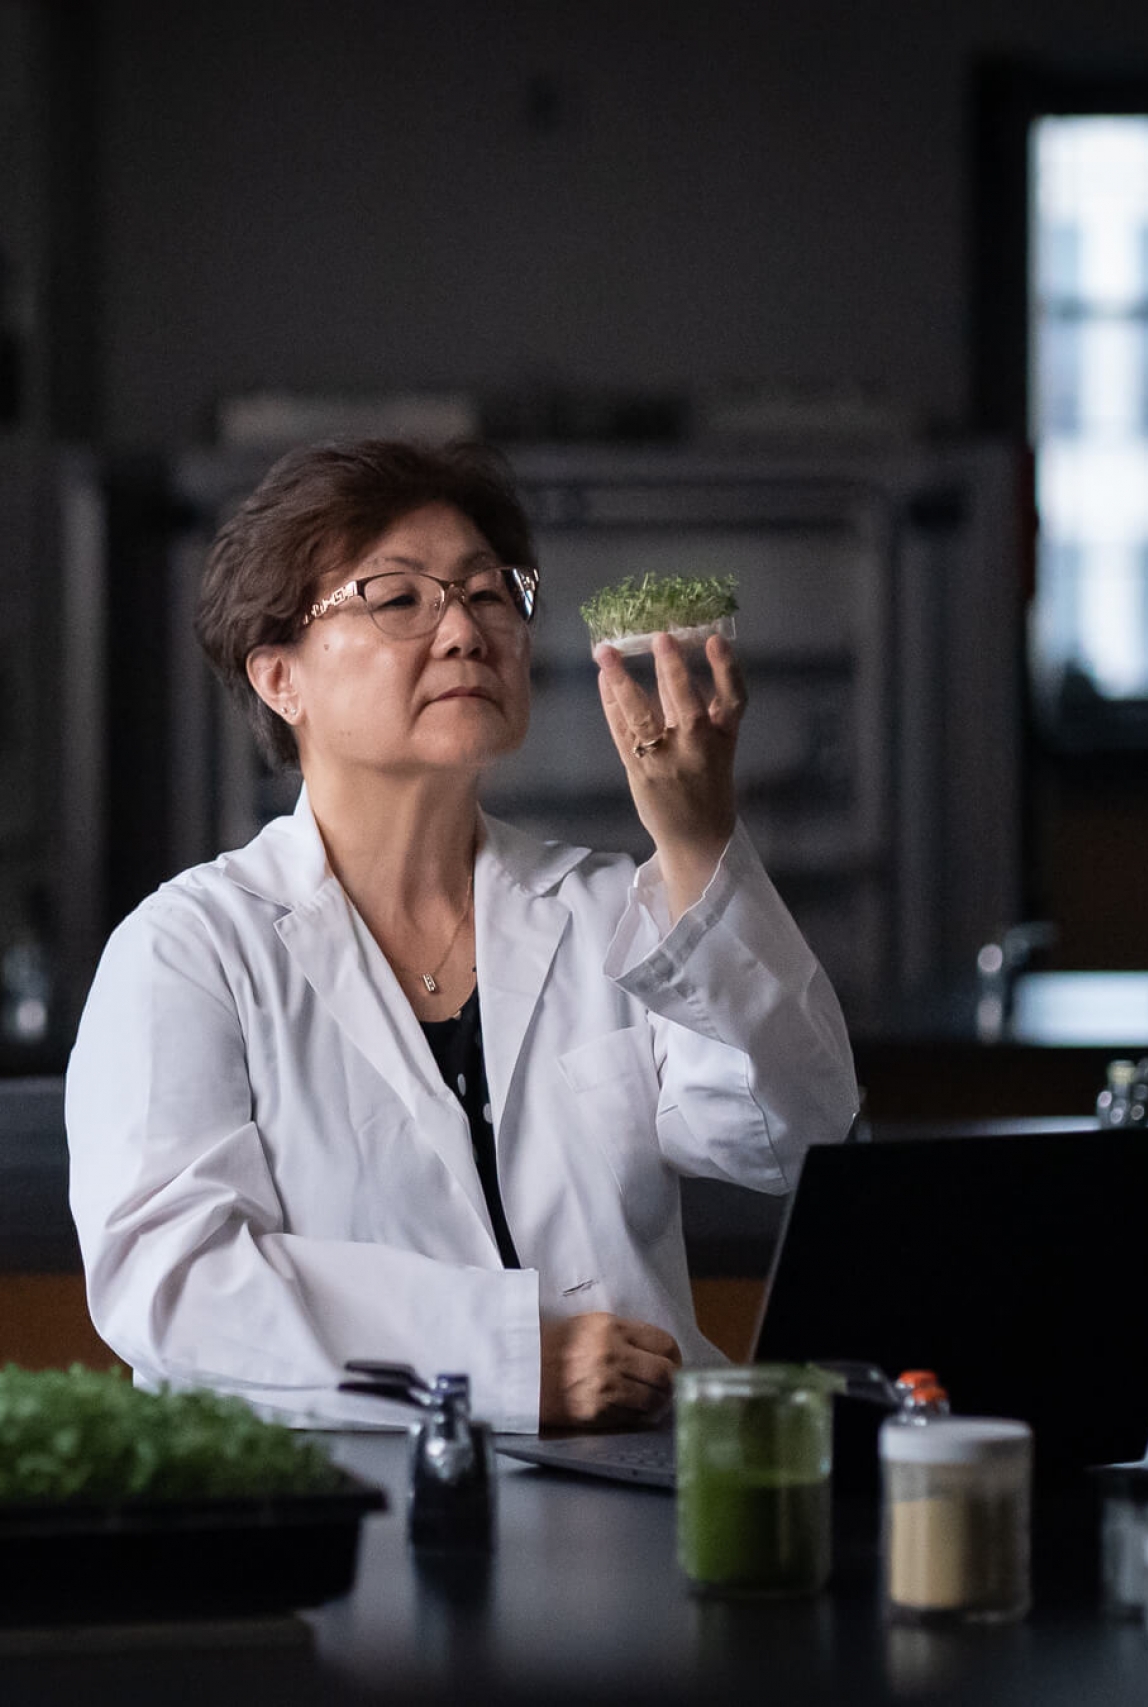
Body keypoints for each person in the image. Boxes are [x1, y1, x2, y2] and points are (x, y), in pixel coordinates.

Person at [65, 439, 858, 1434]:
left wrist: (697, 846)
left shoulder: (611, 907)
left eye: (489, 594)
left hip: (642, 1496)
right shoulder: (192, 949)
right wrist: (504, 1364)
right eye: (399, 599)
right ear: (279, 679)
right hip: (349, 1509)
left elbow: (796, 1135)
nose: (465, 630)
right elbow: (173, 1288)